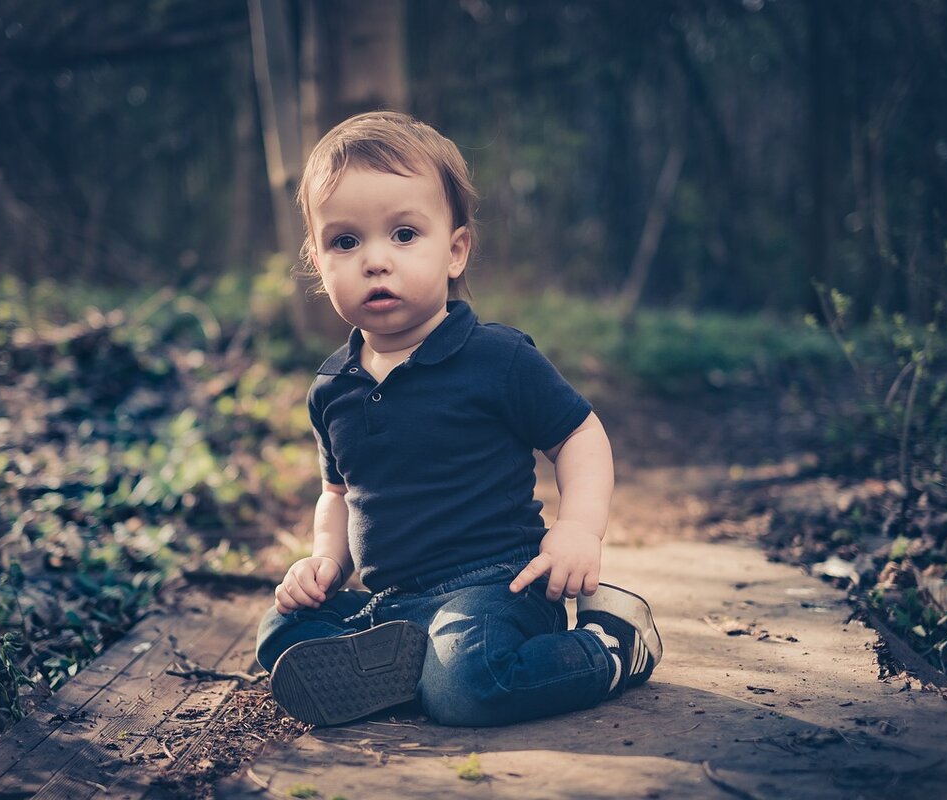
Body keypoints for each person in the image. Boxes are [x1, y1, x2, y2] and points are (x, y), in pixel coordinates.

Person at [255, 111, 662, 728]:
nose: (374, 260)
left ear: (455, 250)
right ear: (317, 260)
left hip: (498, 587)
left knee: (470, 687)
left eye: (403, 234)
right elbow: (337, 495)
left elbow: (581, 435)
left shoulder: (496, 358)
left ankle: (609, 645)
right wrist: (324, 562)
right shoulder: (332, 387)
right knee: (279, 630)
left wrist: (579, 530)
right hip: (392, 602)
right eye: (346, 242)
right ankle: (411, 669)